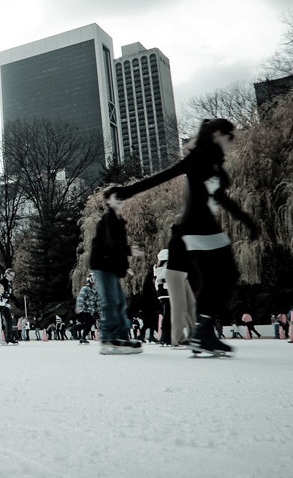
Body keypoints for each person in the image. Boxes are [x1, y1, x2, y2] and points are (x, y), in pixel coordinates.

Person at [114, 119, 258, 357]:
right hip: (198, 225)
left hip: (201, 226)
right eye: (229, 136)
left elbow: (221, 197)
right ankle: (203, 330)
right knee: (226, 274)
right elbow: (162, 177)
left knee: (211, 279)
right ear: (217, 134)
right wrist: (127, 191)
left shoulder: (214, 162)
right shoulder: (197, 158)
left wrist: (244, 219)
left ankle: (202, 332)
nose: (231, 142)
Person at [88, 186, 144, 355]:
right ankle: (108, 338)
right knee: (110, 302)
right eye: (115, 196)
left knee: (119, 302)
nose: (119, 198)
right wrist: (129, 251)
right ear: (108, 200)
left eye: (121, 196)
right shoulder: (108, 218)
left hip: (110, 265)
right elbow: (111, 243)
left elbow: (116, 248)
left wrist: (124, 267)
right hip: (102, 264)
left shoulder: (118, 220)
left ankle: (121, 337)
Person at [75, 275, 100, 345]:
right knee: (89, 321)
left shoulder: (96, 291)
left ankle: (82, 335)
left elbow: (97, 303)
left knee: (89, 323)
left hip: (91, 310)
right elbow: (80, 298)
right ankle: (82, 337)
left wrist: (101, 313)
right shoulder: (85, 289)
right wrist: (79, 307)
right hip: (84, 309)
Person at [154, 250, 172, 345]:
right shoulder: (167, 265)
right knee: (169, 314)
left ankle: (166, 336)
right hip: (168, 291)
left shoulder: (157, 266)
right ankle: (166, 337)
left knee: (167, 313)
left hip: (161, 292)